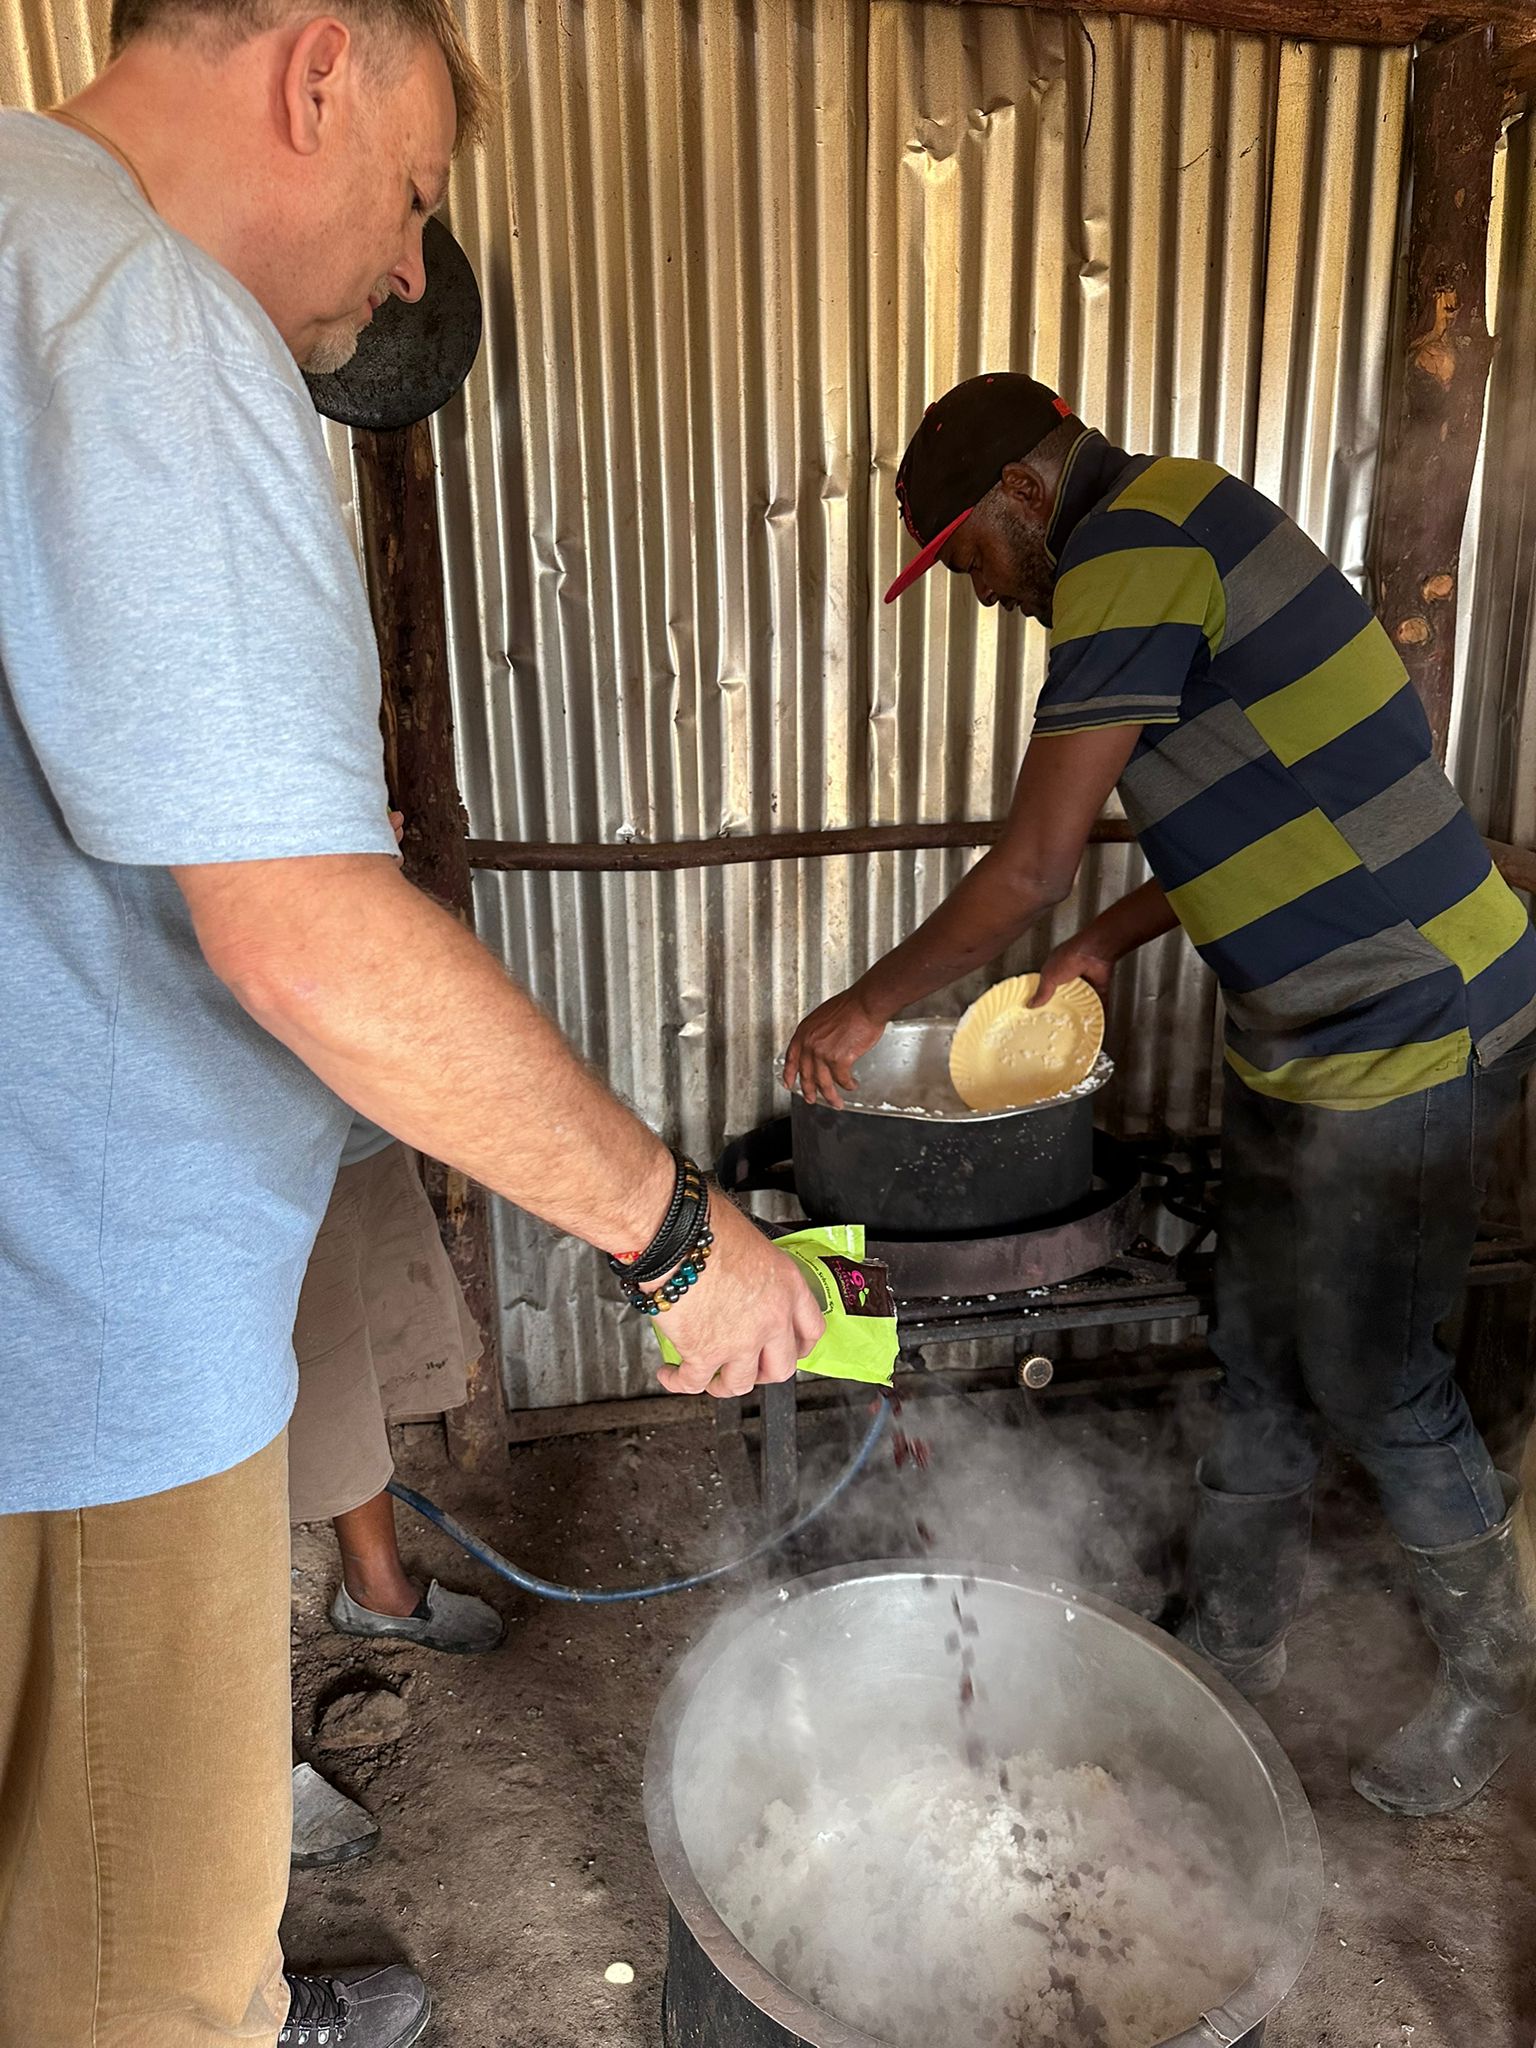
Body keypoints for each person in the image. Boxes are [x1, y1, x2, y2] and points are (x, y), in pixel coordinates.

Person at [0, 6, 821, 2047]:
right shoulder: (143, 312)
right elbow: (303, 938)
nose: (402, 266)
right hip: (79, 1357)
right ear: (314, 74)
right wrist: (677, 1230)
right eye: (421, 193)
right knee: (136, 1973)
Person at [788, 371, 1536, 1820]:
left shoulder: (1129, 555)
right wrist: (1105, 940)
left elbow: (1027, 861)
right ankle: (1232, 1647)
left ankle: (1489, 1683)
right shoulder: (1178, 522)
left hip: (1421, 1016)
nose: (981, 592)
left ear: (1024, 492)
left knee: (1379, 1371)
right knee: (1257, 1342)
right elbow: (1258, 788)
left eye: (968, 556)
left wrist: (871, 1002)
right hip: (1302, 1029)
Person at [290, 1111, 502, 1873]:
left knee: (348, 1361)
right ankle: (234, 1772)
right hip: (204, 1158)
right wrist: (672, 1237)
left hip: (336, 1128)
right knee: (212, 1432)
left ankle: (375, 1590)